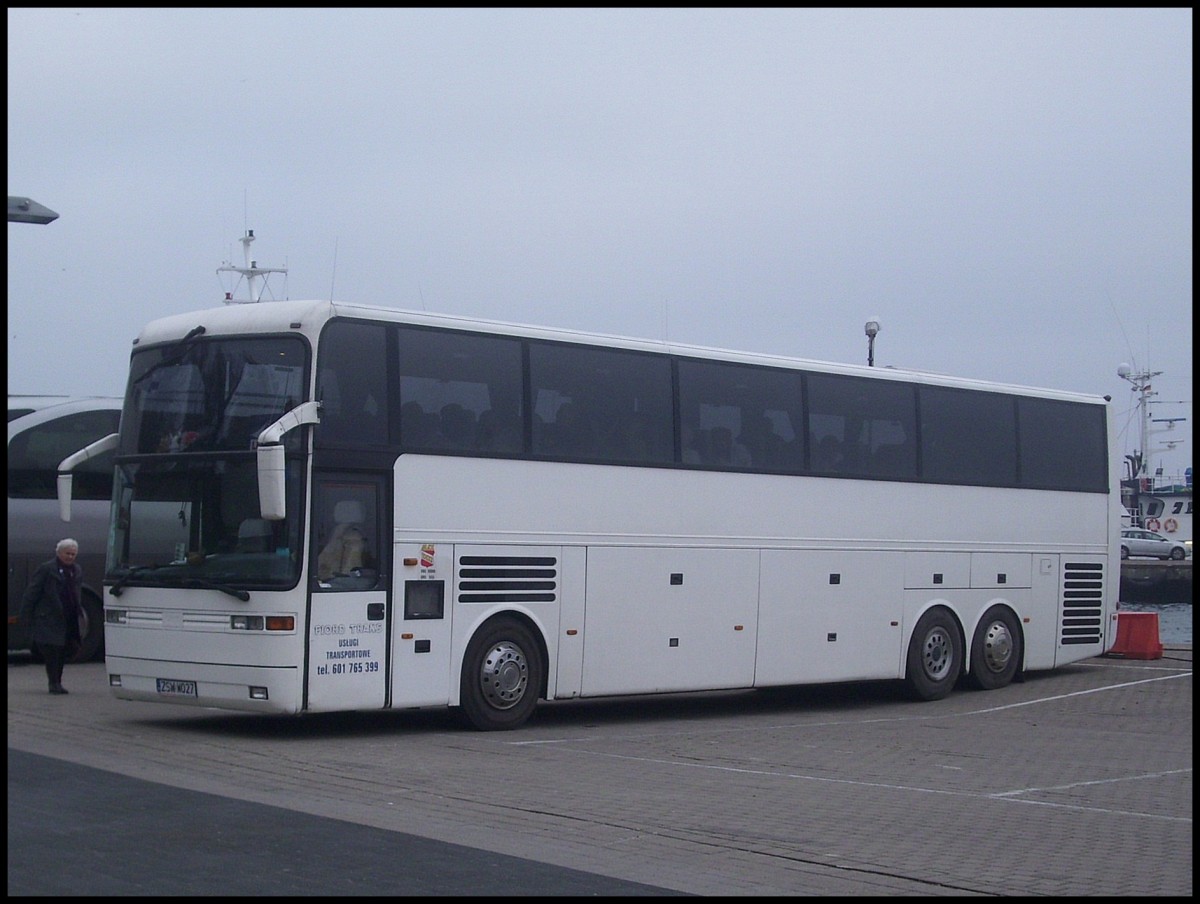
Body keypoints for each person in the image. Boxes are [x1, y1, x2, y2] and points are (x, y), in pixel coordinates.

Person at [20, 538, 84, 695]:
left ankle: (58, 682)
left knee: (64, 650)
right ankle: (54, 683)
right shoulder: (47, 569)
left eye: (73, 554)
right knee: (53, 651)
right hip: (49, 617)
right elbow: (32, 592)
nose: (70, 557)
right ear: (59, 553)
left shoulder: (76, 570)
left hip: (68, 617)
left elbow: (77, 592)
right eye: (67, 553)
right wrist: (25, 615)